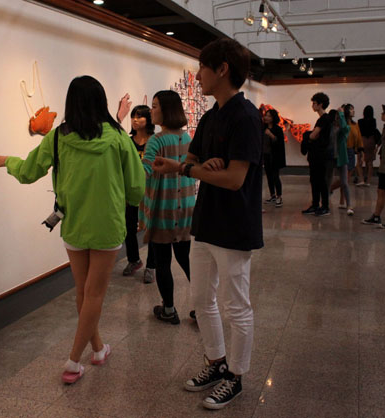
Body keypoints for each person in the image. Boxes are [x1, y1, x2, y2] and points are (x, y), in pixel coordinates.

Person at [0, 75, 145, 383]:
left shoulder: (57, 137)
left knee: (83, 291)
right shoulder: (118, 137)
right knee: (94, 293)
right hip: (108, 225)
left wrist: (9, 161)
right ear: (102, 101)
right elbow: (136, 187)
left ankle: (98, 349)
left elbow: (29, 171)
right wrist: (126, 199)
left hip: (73, 223)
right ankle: (73, 360)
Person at [152, 38, 263, 410]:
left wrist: (193, 169)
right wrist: (200, 166)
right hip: (205, 221)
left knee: (237, 306)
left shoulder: (245, 117)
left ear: (222, 69)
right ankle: (216, 362)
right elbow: (193, 158)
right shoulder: (212, 116)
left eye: (202, 67)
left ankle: (236, 376)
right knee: (201, 299)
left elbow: (233, 179)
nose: (197, 76)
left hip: (235, 224)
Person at [139, 90, 195, 325]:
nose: (151, 111)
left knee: (162, 261)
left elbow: (144, 171)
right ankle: (203, 307)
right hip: (185, 208)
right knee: (185, 258)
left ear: (166, 110)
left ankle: (169, 310)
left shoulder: (157, 140)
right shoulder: (186, 137)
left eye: (154, 106)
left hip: (163, 208)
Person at [121, 105, 157, 283]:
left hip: (150, 192)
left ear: (148, 119)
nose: (135, 120)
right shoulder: (128, 142)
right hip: (132, 192)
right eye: (133, 116)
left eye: (139, 116)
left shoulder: (155, 141)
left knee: (151, 229)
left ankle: (151, 265)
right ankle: (134, 260)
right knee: (129, 227)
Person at [302, 92, 333, 217]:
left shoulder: (324, 119)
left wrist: (308, 137)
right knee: (315, 180)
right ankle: (315, 205)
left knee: (320, 181)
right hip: (317, 154)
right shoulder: (324, 119)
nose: (312, 105)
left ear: (320, 104)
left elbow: (313, 135)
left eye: (314, 103)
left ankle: (324, 206)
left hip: (319, 154)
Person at [329, 107, 353, 215]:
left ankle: (349, 205)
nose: (337, 118)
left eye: (339, 117)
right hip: (331, 157)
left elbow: (344, 127)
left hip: (341, 157)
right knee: (328, 180)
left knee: (344, 182)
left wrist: (342, 115)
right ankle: (325, 202)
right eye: (336, 116)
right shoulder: (331, 127)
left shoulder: (345, 128)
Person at [261, 108, 286, 208]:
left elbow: (279, 143)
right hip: (266, 155)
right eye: (266, 115)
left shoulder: (277, 129)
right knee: (269, 176)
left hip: (274, 156)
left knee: (275, 176)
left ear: (273, 118)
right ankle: (272, 195)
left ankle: (279, 196)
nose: (266, 117)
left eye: (269, 116)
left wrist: (270, 135)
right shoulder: (263, 128)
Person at [358, 105, 380, 186]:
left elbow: (359, 133)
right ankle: (368, 181)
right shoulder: (373, 121)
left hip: (362, 141)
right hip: (371, 141)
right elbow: (374, 131)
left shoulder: (360, 121)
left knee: (359, 162)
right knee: (370, 163)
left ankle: (361, 179)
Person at [343, 104, 364, 186]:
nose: (353, 111)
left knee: (349, 172)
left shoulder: (355, 125)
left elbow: (359, 138)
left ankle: (343, 189)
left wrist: (361, 151)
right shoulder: (343, 124)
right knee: (344, 174)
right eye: (351, 109)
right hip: (343, 150)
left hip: (351, 150)